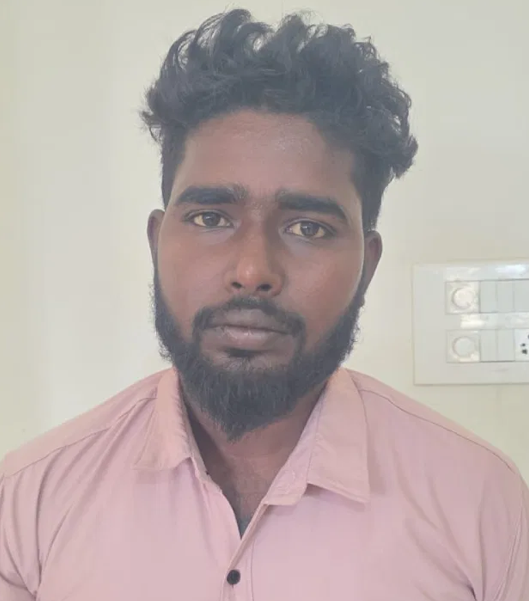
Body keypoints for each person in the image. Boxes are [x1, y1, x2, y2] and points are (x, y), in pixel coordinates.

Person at [1, 8, 527, 601]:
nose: (252, 272)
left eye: (308, 228)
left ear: (367, 264)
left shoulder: (484, 505)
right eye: (210, 218)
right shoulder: (28, 501)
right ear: (156, 242)